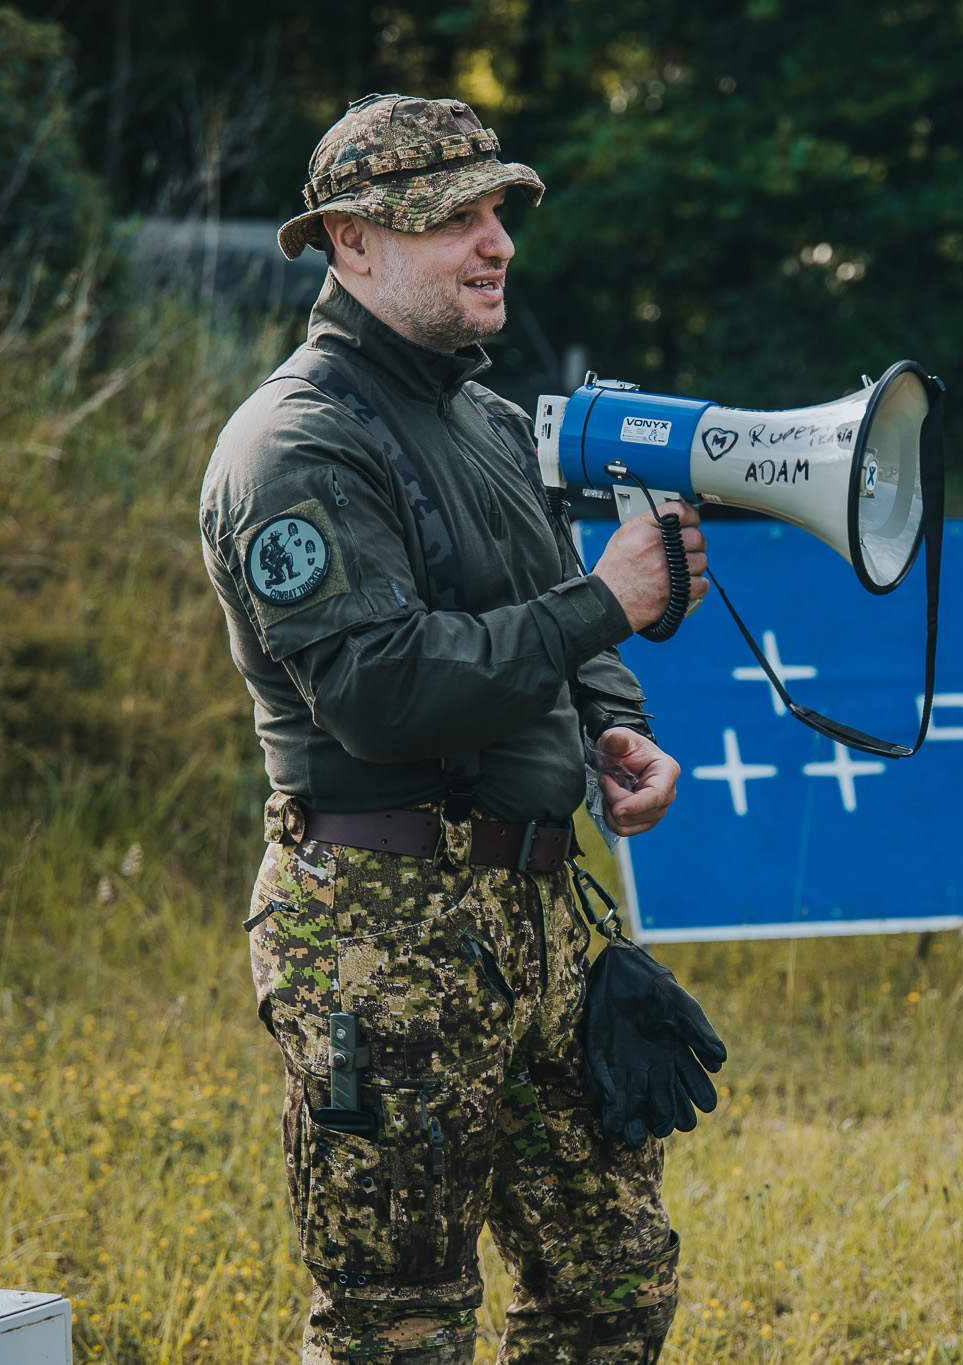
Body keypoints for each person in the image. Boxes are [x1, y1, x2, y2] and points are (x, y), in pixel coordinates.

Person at [198, 92, 707, 1365]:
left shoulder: (485, 422)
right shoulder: (294, 444)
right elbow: (377, 692)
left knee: (613, 1291)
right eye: (453, 221)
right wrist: (607, 602)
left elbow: (544, 621)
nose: (497, 245)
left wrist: (613, 724)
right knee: (399, 1329)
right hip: (379, 926)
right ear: (349, 243)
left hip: (539, 914)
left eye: (497, 213)